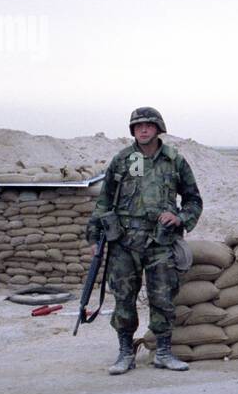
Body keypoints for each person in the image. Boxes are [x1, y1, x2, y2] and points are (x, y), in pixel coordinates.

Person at [87, 107, 203, 375]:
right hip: (124, 243)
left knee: (162, 298)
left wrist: (180, 218)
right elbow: (104, 202)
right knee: (124, 298)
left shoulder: (174, 161)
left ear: (158, 127)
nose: (143, 129)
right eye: (137, 126)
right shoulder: (123, 160)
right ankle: (125, 353)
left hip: (160, 242)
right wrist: (94, 236)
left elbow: (193, 200)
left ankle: (162, 352)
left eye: (148, 125)